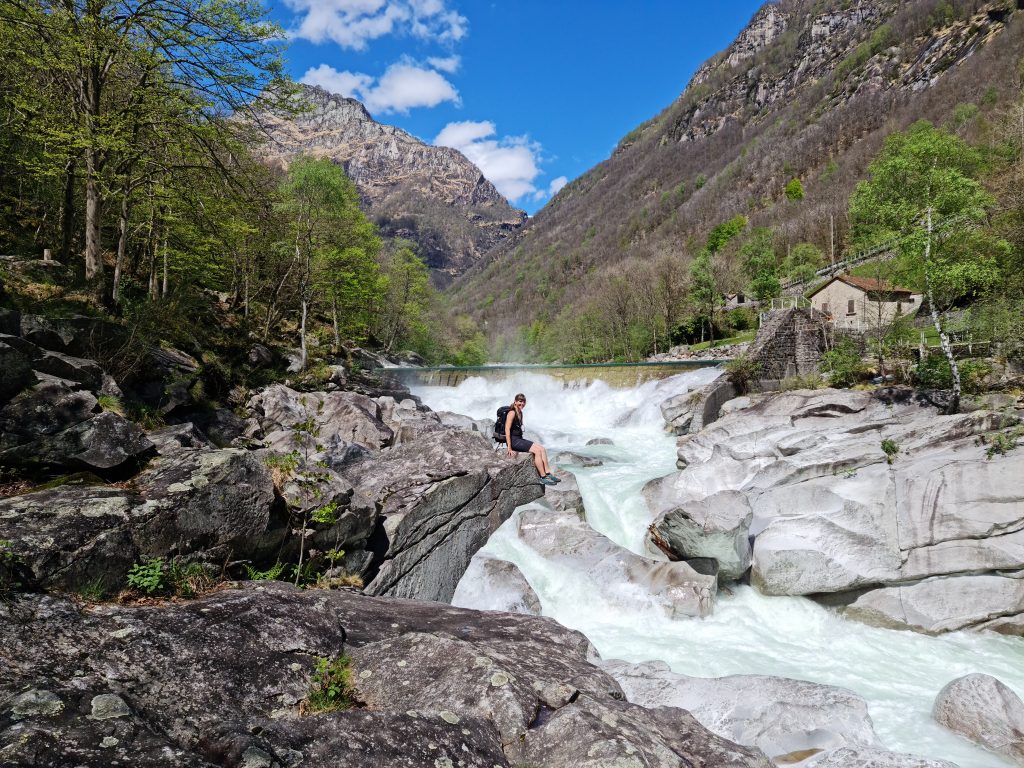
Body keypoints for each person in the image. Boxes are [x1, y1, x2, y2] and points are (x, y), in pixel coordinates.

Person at [503, 393, 560, 486]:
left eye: (524, 402)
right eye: (520, 401)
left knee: (542, 449)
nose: (522, 404)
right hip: (514, 441)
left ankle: (548, 473)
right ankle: (543, 477)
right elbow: (507, 429)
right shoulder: (512, 413)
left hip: (519, 439)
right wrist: (509, 447)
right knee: (537, 451)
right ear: (515, 402)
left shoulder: (520, 413)